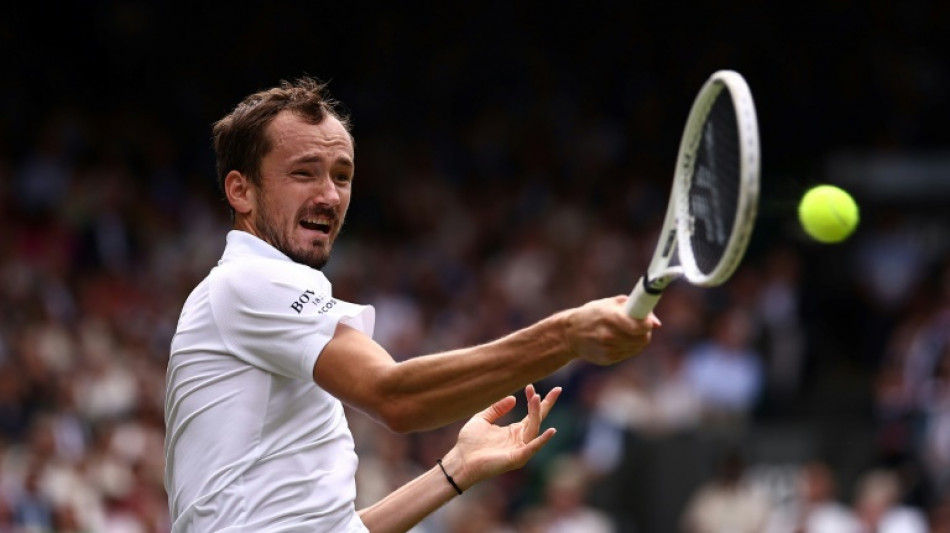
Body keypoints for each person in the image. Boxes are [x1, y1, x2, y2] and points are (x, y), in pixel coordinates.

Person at [163, 76, 660, 532]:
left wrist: (454, 470)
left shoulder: (257, 300)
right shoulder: (249, 281)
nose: (330, 195)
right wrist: (566, 335)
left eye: (341, 175)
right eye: (304, 173)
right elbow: (395, 396)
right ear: (240, 190)